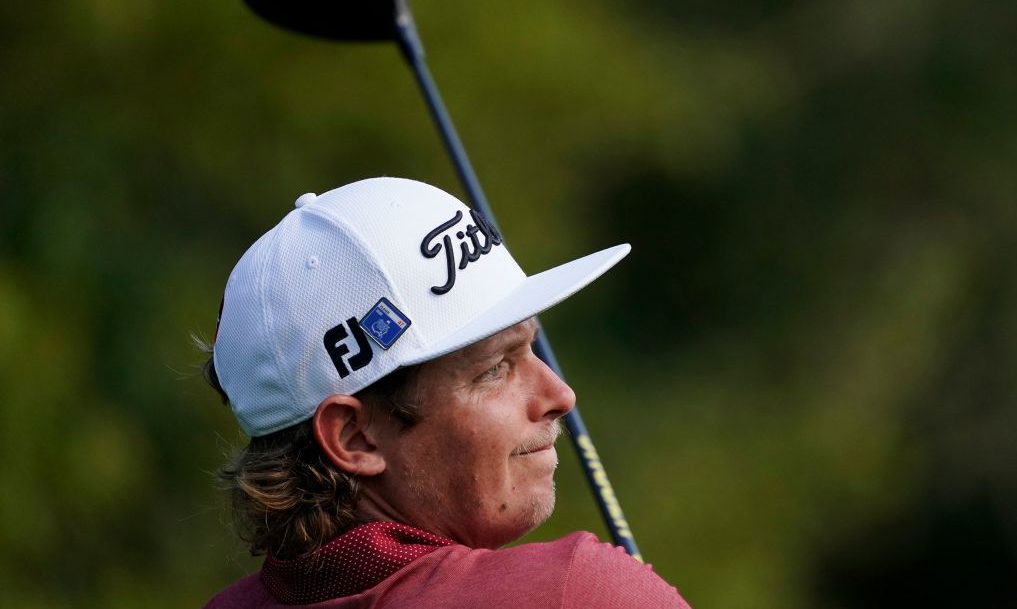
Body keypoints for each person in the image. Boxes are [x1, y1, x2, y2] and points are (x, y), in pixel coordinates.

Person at [202, 177, 688, 607]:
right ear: (354, 436)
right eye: (495, 369)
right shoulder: (578, 592)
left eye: (531, 349)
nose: (560, 395)